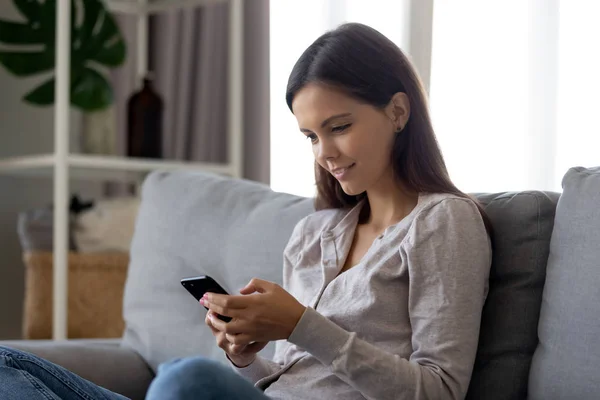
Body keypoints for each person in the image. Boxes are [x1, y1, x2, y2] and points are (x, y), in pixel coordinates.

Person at [0, 22, 492, 400]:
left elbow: (440, 390)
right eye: (311, 137)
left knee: (185, 377)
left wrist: (301, 323)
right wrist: (245, 354)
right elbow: (283, 379)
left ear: (398, 112)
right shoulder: (314, 233)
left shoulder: (443, 222)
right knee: (6, 365)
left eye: (339, 126)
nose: (325, 153)